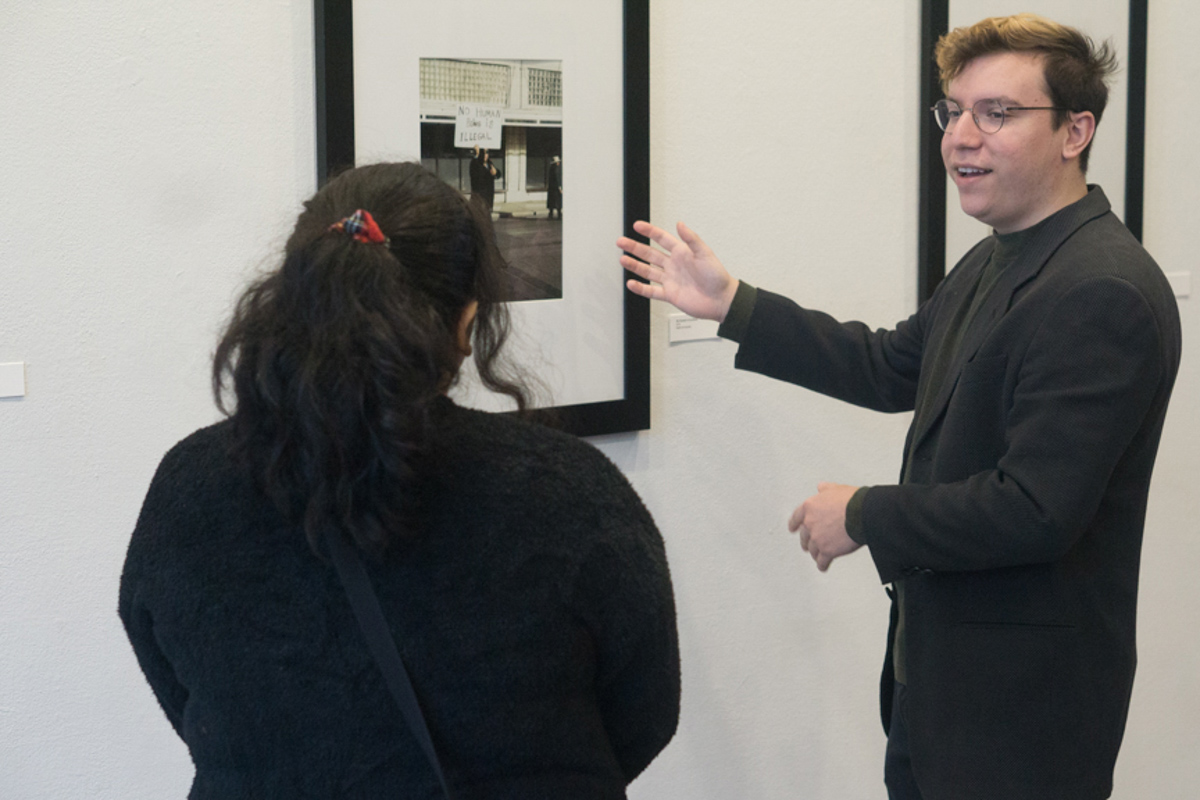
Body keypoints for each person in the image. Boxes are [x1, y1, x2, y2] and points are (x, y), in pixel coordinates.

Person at [618, 14, 1179, 800]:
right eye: (953, 111)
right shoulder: (1000, 256)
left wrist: (865, 514)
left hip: (1022, 721)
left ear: (1075, 131)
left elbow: (1036, 509)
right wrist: (735, 306)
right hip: (941, 695)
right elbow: (889, 365)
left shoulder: (1102, 290)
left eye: (998, 113)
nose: (961, 137)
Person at [120, 162, 680, 799]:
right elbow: (643, 715)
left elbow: (177, 683)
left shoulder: (189, 490)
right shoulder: (572, 492)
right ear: (467, 323)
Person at [547, 155, 563, 220]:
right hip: (556, 189)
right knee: (557, 202)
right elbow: (557, 178)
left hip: (551, 188)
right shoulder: (557, 169)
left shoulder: (551, 169)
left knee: (552, 202)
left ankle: (551, 214)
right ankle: (559, 214)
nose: (559, 163)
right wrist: (560, 187)